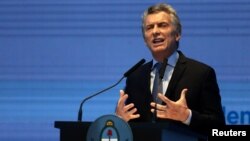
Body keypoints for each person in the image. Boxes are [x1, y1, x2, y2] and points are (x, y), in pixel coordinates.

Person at [115, 3, 225, 134]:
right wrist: (119, 121)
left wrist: (187, 116)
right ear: (145, 39)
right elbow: (132, 124)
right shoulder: (135, 77)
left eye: (162, 25)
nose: (155, 31)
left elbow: (219, 129)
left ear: (177, 34)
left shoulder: (201, 74)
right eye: (149, 27)